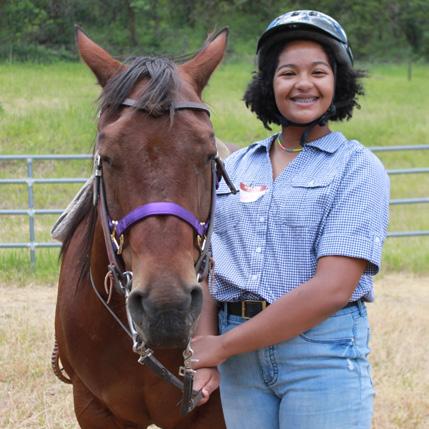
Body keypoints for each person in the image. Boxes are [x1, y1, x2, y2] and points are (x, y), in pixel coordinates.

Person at [191, 10, 390, 429]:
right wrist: (206, 350)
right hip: (240, 362)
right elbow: (209, 266)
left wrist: (221, 346)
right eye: (288, 73)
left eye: (318, 72)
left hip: (320, 353)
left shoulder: (356, 168)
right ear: (269, 84)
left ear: (338, 82)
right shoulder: (236, 166)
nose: (303, 83)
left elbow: (332, 288)